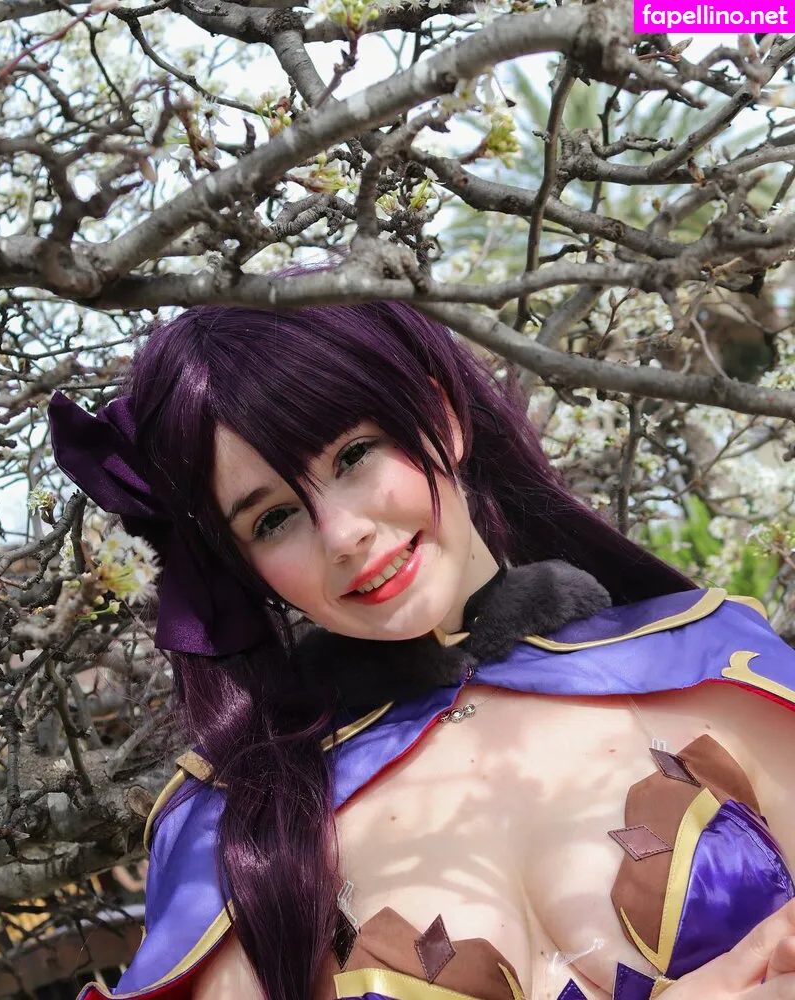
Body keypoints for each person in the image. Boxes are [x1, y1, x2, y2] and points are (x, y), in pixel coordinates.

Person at [48, 296, 795, 1000]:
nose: (343, 536)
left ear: (441, 413)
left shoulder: (712, 660)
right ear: (241, 567)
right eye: (272, 519)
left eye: (353, 456)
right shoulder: (236, 835)